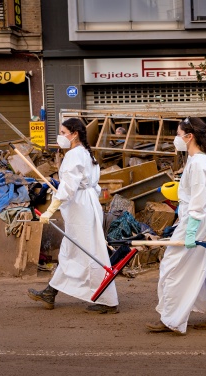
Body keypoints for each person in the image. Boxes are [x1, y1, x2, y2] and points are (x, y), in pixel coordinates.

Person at [145, 117, 206, 335]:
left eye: (178, 134)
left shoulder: (200, 162)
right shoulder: (195, 160)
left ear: (189, 136)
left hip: (198, 220)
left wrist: (191, 229)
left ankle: (171, 317)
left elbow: (200, 198)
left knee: (172, 266)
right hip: (200, 218)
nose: (176, 138)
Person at [28, 118, 119, 314]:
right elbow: (91, 186)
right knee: (72, 251)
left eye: (63, 132)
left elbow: (68, 188)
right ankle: (50, 292)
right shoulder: (86, 153)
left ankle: (108, 300)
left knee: (88, 253)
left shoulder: (74, 155)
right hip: (85, 205)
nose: (60, 137)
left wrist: (50, 210)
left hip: (80, 207)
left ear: (74, 133)